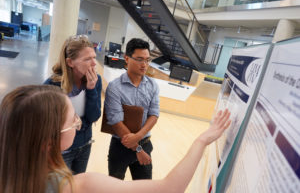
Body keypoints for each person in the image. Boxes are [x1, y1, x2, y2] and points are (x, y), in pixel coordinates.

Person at [0, 85, 231, 193]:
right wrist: (201, 141)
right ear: (48, 142)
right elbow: (169, 188)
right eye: (73, 120)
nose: (77, 124)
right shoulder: (79, 185)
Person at [44, 35, 102, 174]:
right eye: (87, 59)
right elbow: (47, 125)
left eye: (94, 57)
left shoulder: (95, 80)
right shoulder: (52, 85)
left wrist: (91, 89)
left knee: (77, 185)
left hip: (84, 144)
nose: (94, 63)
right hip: (62, 149)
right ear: (70, 62)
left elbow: (94, 116)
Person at [104, 38, 159, 180]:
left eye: (147, 60)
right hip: (120, 146)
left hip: (144, 143)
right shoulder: (115, 87)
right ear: (127, 58)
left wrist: (138, 137)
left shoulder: (152, 85)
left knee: (144, 188)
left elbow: (154, 114)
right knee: (115, 188)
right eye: (140, 59)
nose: (144, 64)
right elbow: (116, 122)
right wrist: (137, 149)